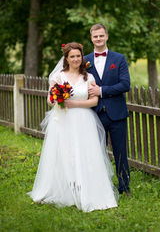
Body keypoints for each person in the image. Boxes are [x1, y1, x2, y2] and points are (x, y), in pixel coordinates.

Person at [27, 42, 118, 212]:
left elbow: (94, 101)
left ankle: (88, 190)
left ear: (82, 57)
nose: (76, 59)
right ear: (66, 59)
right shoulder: (59, 77)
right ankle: (67, 190)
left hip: (84, 120)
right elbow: (49, 99)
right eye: (72, 57)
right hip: (63, 121)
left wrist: (73, 103)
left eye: (78, 56)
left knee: (85, 154)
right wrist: (57, 99)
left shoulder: (88, 78)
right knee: (65, 154)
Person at [85, 24, 130, 195]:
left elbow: (125, 84)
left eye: (101, 36)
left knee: (120, 153)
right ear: (91, 38)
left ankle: (124, 188)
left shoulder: (119, 59)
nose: (98, 39)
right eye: (95, 36)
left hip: (117, 114)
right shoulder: (85, 61)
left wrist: (101, 91)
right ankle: (100, 189)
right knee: (97, 153)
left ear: (107, 36)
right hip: (95, 114)